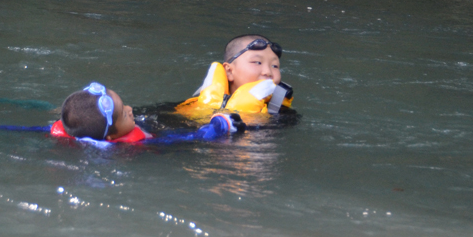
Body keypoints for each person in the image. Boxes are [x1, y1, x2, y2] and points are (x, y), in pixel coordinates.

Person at [51, 82, 243, 145]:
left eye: (125, 104)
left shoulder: (75, 128)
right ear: (110, 137)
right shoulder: (136, 144)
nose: (130, 109)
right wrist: (221, 125)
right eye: (125, 114)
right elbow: (193, 138)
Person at [176, 34, 293, 120]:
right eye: (257, 62)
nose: (268, 72)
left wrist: (252, 117)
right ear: (229, 71)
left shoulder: (281, 114)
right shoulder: (193, 105)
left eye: (275, 66)